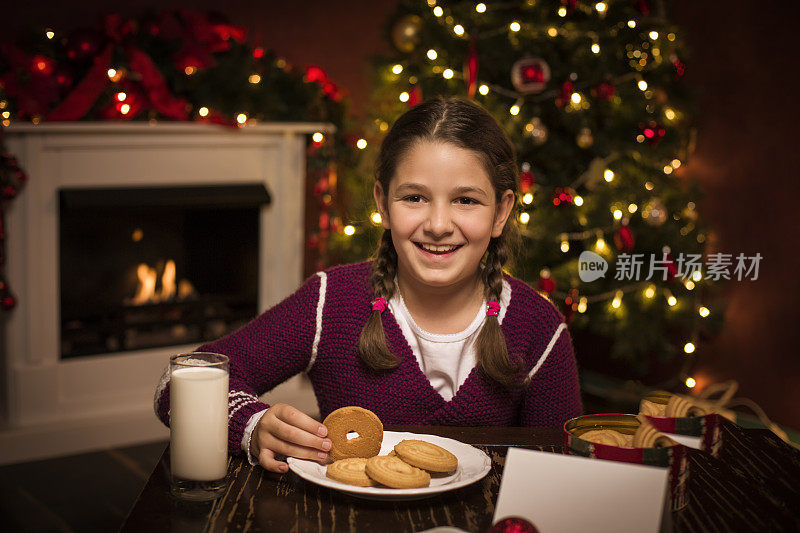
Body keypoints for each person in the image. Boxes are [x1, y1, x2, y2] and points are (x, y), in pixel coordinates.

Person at [154, 97, 581, 473]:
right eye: (414, 197)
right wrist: (250, 425)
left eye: (465, 200)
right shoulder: (331, 302)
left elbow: (562, 476)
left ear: (501, 212)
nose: (437, 225)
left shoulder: (539, 329)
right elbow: (174, 386)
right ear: (382, 202)